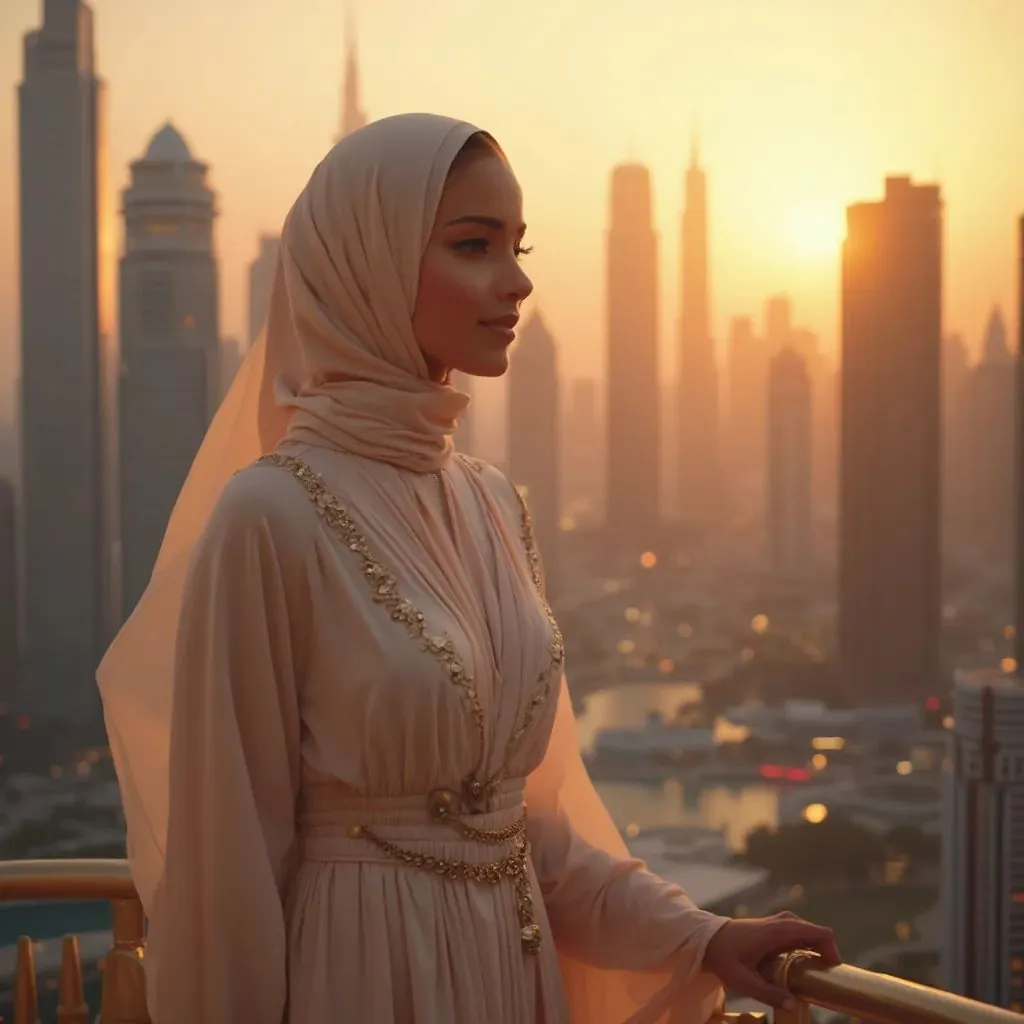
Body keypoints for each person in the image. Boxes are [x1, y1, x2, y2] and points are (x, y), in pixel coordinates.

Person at [97, 113, 839, 1024]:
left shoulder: (492, 505)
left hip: (506, 975)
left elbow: (534, 835)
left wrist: (702, 937)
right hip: (358, 982)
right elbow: (229, 870)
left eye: (517, 246)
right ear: (367, 264)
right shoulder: (270, 515)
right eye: (474, 245)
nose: (518, 281)